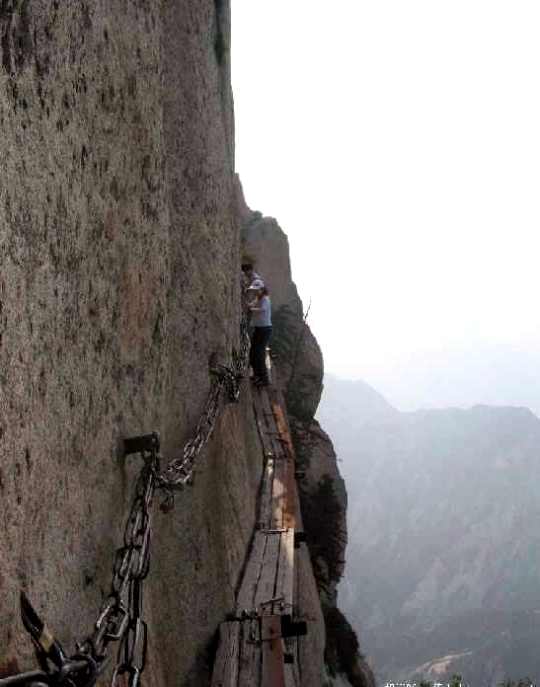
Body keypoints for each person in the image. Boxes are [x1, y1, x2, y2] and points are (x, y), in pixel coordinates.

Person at [249, 285, 272, 387]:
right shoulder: (259, 298)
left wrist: (252, 309)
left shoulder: (265, 299)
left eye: (257, 290)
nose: (255, 292)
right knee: (253, 351)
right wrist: (250, 305)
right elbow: (252, 304)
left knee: (259, 353)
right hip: (259, 328)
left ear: (262, 290)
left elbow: (263, 309)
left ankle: (264, 379)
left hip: (264, 329)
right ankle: (257, 375)